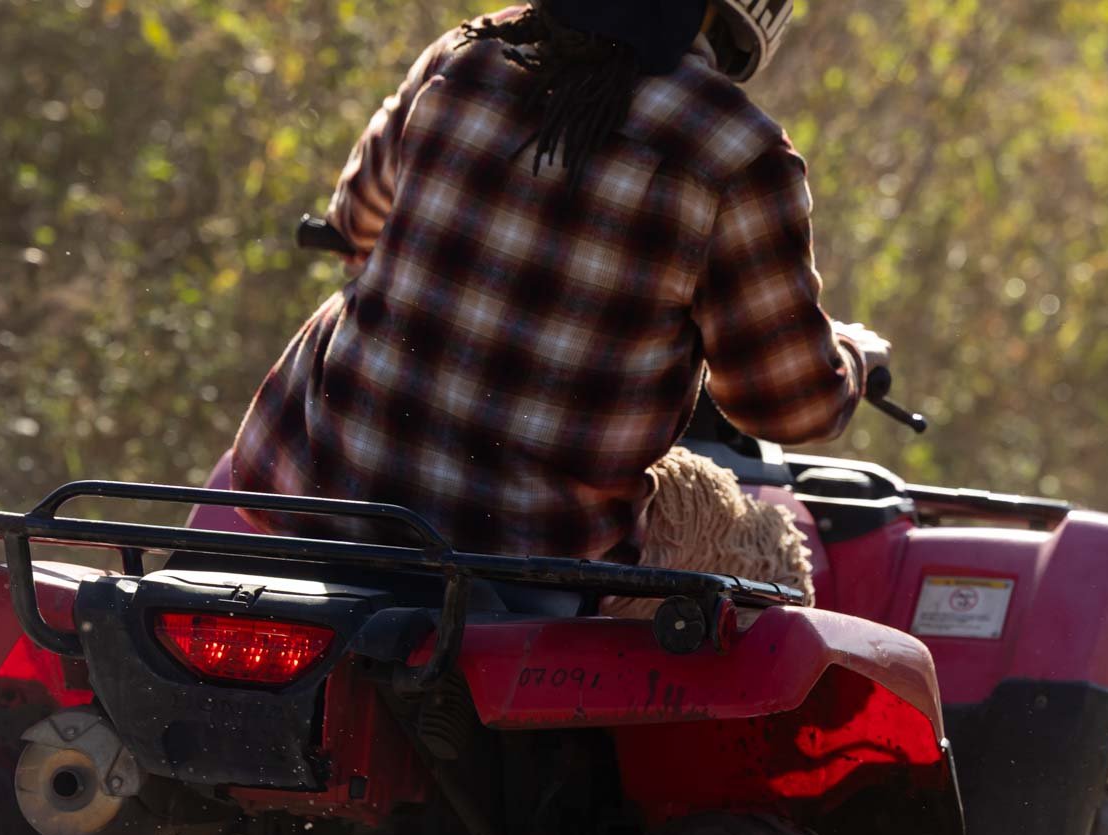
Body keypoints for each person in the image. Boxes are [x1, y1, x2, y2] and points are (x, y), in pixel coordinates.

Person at [228, 0, 889, 574]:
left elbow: (358, 218)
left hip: (311, 495)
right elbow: (786, 406)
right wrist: (854, 357)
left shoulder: (468, 54)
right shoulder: (737, 151)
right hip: (525, 561)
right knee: (770, 570)